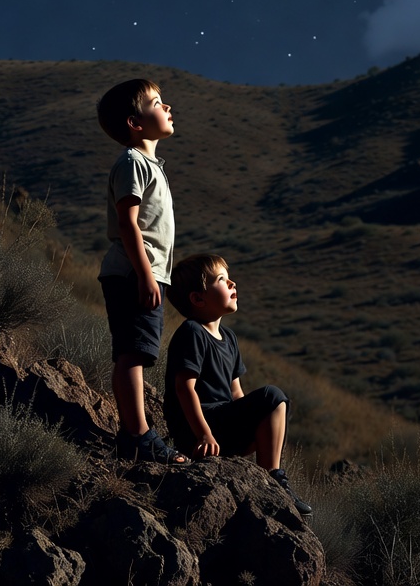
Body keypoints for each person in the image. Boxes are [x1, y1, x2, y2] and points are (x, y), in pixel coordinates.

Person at [164, 253, 312, 514]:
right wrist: (204, 434)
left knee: (271, 405)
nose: (232, 283)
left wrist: (253, 421)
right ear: (198, 299)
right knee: (272, 396)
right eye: (222, 280)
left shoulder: (229, 338)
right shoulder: (192, 332)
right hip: (200, 429)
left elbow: (235, 394)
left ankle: (269, 481)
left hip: (222, 423)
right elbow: (184, 388)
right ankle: (272, 484)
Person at [97, 78, 186, 463]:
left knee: (138, 351)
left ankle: (136, 434)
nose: (167, 108)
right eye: (156, 102)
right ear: (135, 122)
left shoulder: (150, 165)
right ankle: (138, 437)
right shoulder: (133, 163)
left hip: (143, 273)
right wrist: (146, 274)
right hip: (135, 273)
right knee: (133, 353)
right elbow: (127, 223)